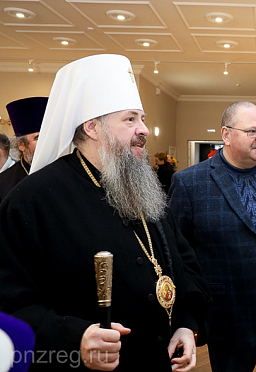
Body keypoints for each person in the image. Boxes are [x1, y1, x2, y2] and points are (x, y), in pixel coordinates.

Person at [0, 54, 210, 372]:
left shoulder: (142, 184)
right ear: (93, 127)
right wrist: (75, 337)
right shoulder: (32, 200)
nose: (144, 130)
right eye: (130, 120)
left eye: (142, 119)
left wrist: (186, 323)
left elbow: (183, 261)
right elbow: (9, 303)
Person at [169, 100, 256, 372]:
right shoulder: (190, 183)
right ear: (226, 134)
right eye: (252, 131)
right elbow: (180, 254)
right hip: (231, 319)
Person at [0, 97, 47, 201]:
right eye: (38, 138)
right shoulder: (3, 184)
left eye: (47, 137)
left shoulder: (66, 172)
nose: (45, 144)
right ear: (21, 145)